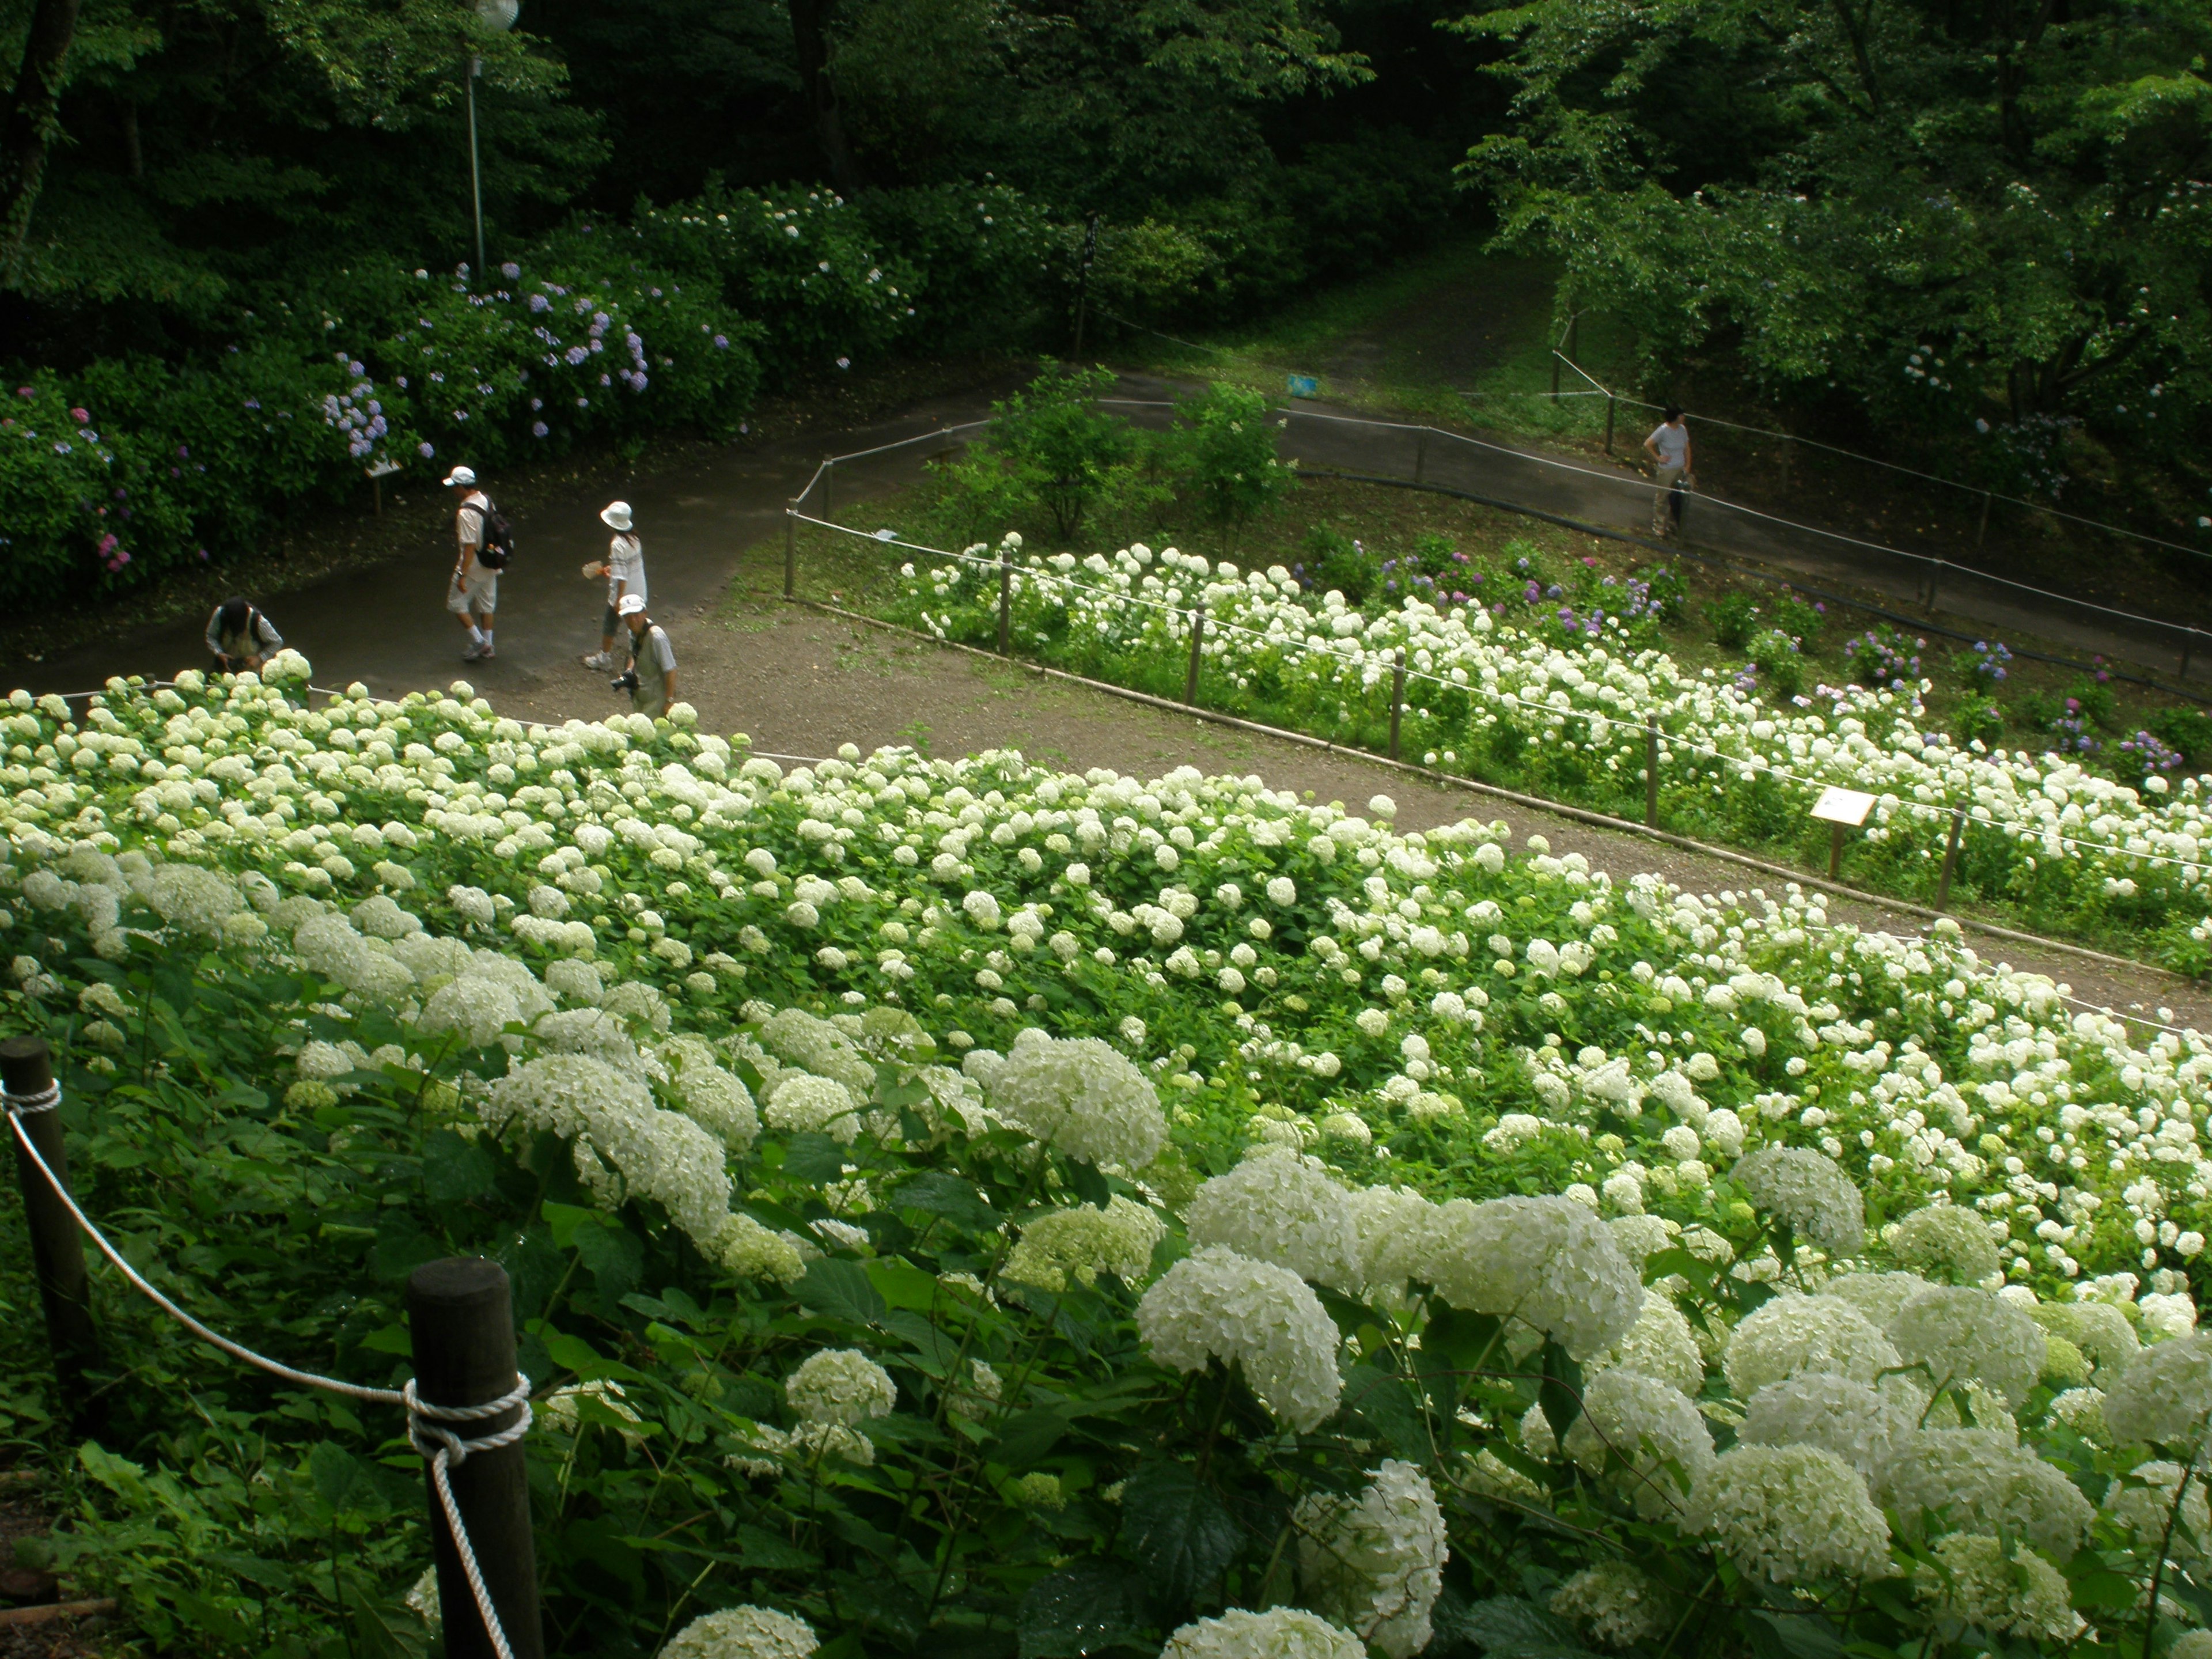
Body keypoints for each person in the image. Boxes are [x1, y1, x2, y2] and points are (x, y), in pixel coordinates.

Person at [580, 500, 645, 671]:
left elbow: (622, 576)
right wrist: (613, 568)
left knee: (610, 623)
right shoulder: (634, 538)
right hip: (639, 590)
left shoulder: (617, 544)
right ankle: (644, 657)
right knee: (638, 625)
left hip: (625, 593)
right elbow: (627, 565)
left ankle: (605, 658)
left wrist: (618, 600)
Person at [444, 464, 498, 661]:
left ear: (461, 487)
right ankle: (490, 645)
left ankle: (479, 642)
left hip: (474, 565)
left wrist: (462, 575)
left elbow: (469, 547)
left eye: (454, 486)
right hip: (492, 562)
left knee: (456, 604)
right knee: (487, 605)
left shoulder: (465, 512)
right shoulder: (487, 500)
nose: (453, 491)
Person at [612, 593, 677, 717]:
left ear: (645, 613)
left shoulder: (657, 637)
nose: (632, 621)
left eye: (636, 615)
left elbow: (671, 670)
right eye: (628, 617)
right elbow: (634, 653)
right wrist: (628, 674)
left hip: (657, 699)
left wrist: (669, 701)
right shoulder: (633, 632)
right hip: (641, 695)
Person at [1643, 407, 1694, 537]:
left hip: (1680, 468)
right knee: (1662, 497)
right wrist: (1658, 457)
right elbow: (1648, 443)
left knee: (1678, 498)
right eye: (1682, 415)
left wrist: (1688, 465)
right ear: (1676, 417)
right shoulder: (1663, 431)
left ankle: (1673, 524)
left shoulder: (1682, 430)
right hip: (1667, 470)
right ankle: (1659, 526)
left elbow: (1687, 448)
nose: (1684, 417)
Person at [205, 597, 283, 673]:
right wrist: (219, 653)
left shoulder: (258, 621)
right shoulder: (220, 615)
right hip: (224, 665)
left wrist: (259, 658)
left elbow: (277, 642)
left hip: (251, 668)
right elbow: (210, 635)